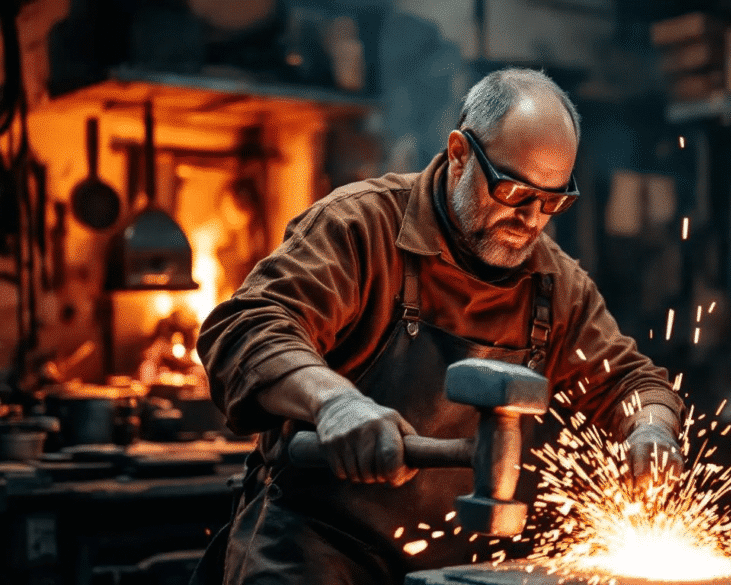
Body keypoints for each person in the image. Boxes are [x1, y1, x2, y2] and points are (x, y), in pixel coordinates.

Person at [194, 68, 685, 585]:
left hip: (454, 568)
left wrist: (650, 428)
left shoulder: (555, 284)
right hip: (317, 547)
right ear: (459, 154)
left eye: (552, 201)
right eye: (513, 191)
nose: (531, 220)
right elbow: (248, 327)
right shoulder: (360, 226)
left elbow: (633, 383)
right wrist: (333, 402)